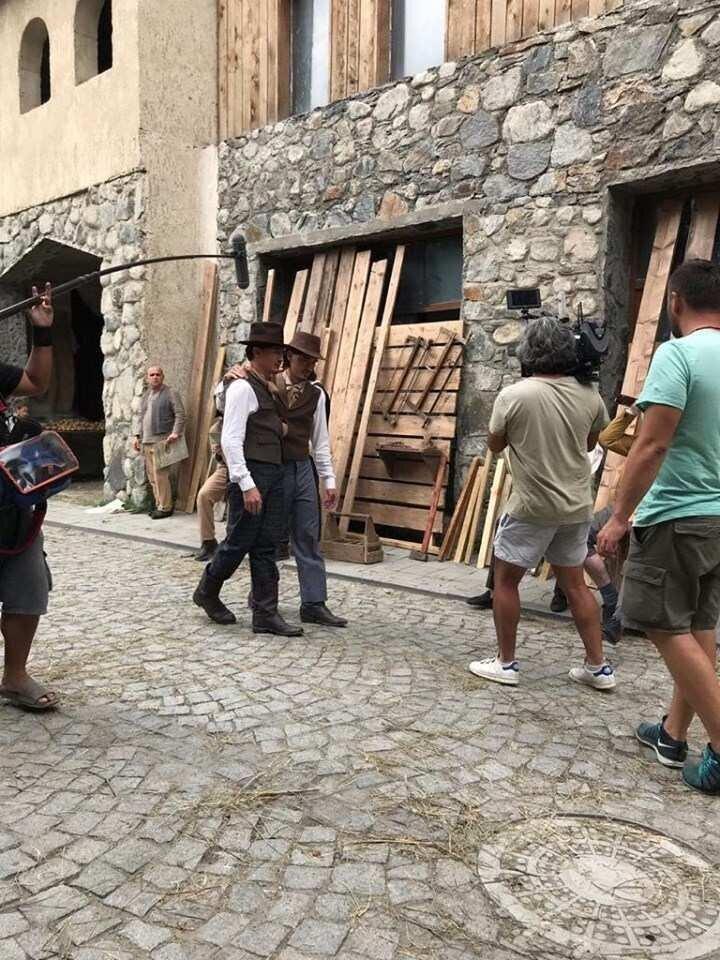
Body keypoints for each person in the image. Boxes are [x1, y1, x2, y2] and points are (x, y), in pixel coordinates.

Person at [599, 259, 720, 795]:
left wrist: (619, 516)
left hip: (677, 515)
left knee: (661, 623)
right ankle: (673, 735)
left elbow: (651, 444)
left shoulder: (678, 354)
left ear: (675, 301)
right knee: (698, 625)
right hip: (717, 518)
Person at [468, 316, 616, 690]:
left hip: (531, 506)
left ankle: (506, 663)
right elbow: (590, 443)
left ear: (528, 352)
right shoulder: (590, 395)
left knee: (505, 582)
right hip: (575, 506)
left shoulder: (514, 396)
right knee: (576, 585)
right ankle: (598, 667)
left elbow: (495, 445)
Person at [193, 322, 302, 637]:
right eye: (275, 352)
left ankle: (265, 614)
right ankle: (207, 591)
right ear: (256, 352)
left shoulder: (266, 386)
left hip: (273, 472)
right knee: (238, 542)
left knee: (267, 544)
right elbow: (230, 440)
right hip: (252, 475)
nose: (280, 358)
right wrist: (246, 483)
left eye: (281, 352)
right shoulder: (241, 387)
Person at [0, 283, 60, 712]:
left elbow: (37, 382)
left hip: (12, 511)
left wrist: (42, 330)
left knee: (27, 591)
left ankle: (15, 676)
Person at [133, 366, 185, 519]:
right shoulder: (146, 395)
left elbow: (180, 414)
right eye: (152, 375)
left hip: (162, 440)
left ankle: (165, 507)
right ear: (147, 378)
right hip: (146, 441)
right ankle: (158, 504)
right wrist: (137, 436)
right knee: (152, 476)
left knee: (161, 475)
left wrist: (175, 432)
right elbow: (141, 417)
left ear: (162, 376)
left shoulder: (170, 393)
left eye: (158, 374)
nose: (155, 377)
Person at [194, 408, 227, 562]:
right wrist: (219, 453)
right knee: (204, 495)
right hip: (226, 468)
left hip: (251, 467)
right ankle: (208, 542)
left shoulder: (250, 422)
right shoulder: (216, 429)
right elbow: (220, 458)